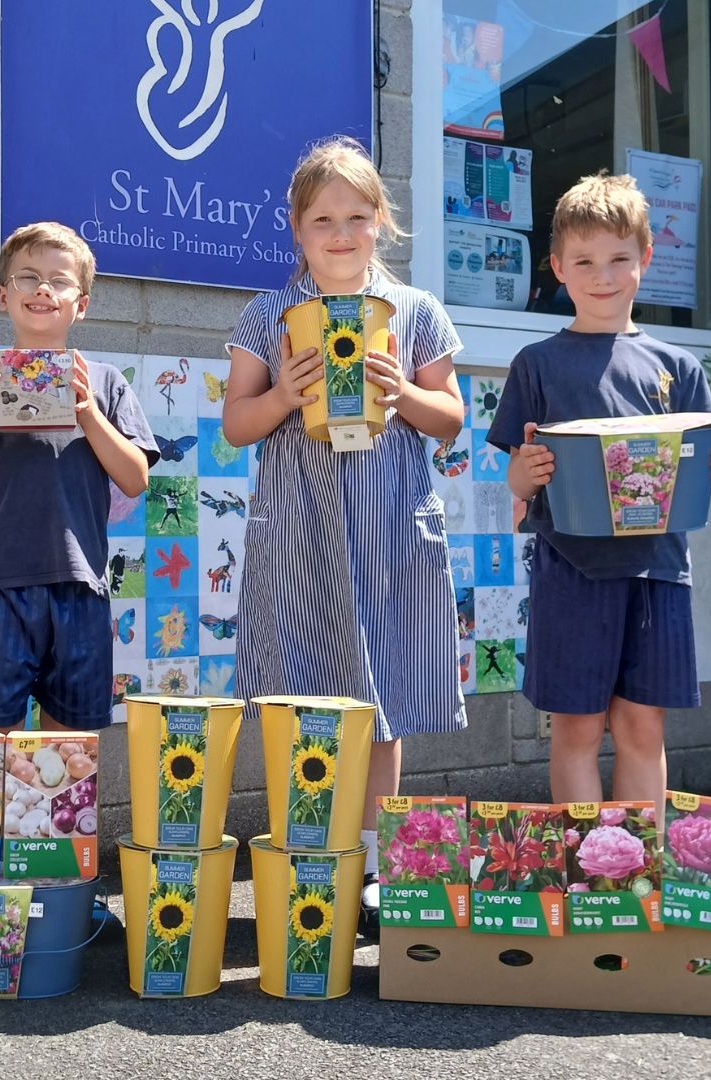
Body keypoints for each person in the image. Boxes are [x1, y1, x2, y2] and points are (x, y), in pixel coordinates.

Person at [223, 136, 468, 938]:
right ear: (296, 229)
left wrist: (403, 395)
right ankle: (311, 858)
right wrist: (283, 397)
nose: (340, 233)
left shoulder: (417, 312)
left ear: (381, 222)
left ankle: (375, 867)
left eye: (357, 217)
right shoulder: (266, 315)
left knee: (382, 696)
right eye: (322, 219)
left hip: (390, 530)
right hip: (301, 530)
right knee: (302, 694)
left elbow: (450, 418)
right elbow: (235, 424)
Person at [488, 172, 711, 830]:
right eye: (585, 262)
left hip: (659, 570)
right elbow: (516, 481)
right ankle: (583, 866)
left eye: (619, 259)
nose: (603, 277)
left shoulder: (680, 368)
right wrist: (525, 474)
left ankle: (635, 868)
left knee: (642, 727)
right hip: (570, 570)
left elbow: (697, 468)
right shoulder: (537, 363)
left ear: (646, 259)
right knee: (575, 728)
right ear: (558, 268)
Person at [0, 221, 159, 733]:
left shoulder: (105, 383)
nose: (43, 289)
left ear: (82, 304)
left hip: (81, 587)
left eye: (59, 280)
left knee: (69, 751)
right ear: (3, 295)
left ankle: (59, 797)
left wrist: (88, 412)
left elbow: (135, 479)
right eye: (27, 277)